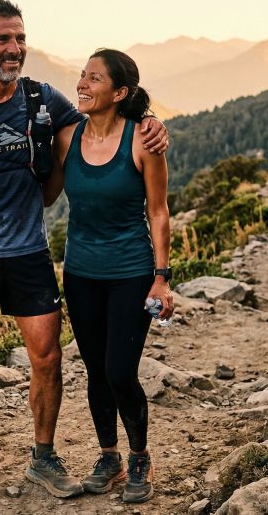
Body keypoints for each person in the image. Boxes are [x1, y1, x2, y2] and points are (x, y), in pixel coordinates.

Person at [0, 0, 169, 501]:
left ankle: (44, 457)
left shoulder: (43, 100)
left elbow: (109, 115)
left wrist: (152, 120)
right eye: (3, 40)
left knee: (48, 358)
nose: (15, 49)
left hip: (29, 251)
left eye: (21, 38)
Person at [43, 48, 175, 504]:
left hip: (131, 273)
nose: (82, 84)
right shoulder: (67, 138)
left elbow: (158, 212)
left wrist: (162, 277)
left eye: (94, 79)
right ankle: (109, 457)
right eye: (82, 75)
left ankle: (139, 457)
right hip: (80, 274)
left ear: (119, 93)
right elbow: (46, 196)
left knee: (120, 370)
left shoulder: (143, 141)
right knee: (96, 370)